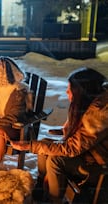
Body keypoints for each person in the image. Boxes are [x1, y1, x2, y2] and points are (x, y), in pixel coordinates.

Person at [10, 67, 108, 203]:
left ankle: (53, 199)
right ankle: (42, 188)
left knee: (56, 160)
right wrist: (63, 132)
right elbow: (81, 138)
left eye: (70, 89)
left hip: (97, 164)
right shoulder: (87, 105)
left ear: (82, 91)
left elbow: (71, 148)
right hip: (85, 153)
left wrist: (30, 145)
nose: (67, 92)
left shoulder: (98, 117)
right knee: (45, 144)